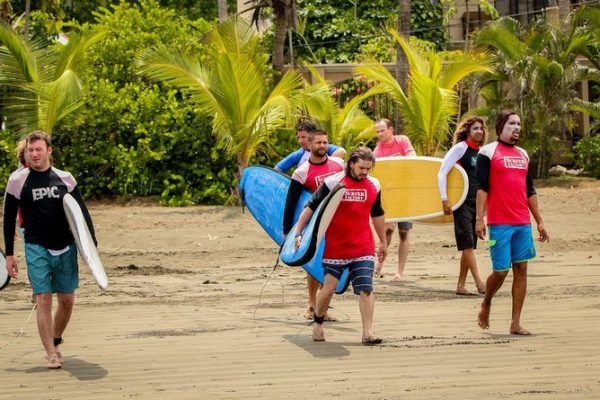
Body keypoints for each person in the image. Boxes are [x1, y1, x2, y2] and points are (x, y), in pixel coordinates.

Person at [3, 130, 98, 369]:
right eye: (30, 150)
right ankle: (50, 353)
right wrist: (10, 254)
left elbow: (82, 214)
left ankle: (55, 339)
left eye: (38, 149)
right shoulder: (17, 180)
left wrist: (92, 249)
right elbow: (7, 217)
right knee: (44, 298)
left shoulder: (65, 178)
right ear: (26, 152)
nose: (34, 154)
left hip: (65, 246)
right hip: (36, 246)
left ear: (49, 151)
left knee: (67, 300)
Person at [293, 147, 387, 344]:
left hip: (363, 246)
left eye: (368, 169)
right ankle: (318, 322)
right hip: (336, 246)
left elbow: (377, 214)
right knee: (328, 289)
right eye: (361, 168)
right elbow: (311, 207)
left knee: (366, 288)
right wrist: (299, 232)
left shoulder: (374, 185)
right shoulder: (333, 182)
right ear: (351, 164)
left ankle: (367, 333)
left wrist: (383, 242)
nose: (365, 172)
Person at [475, 111, 549, 335]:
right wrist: (479, 219)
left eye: (518, 124)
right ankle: (487, 302)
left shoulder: (523, 154)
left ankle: (515, 323)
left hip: (522, 222)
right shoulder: (487, 152)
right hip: (499, 222)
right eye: (511, 124)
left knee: (521, 270)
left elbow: (530, 190)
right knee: (500, 271)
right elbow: (482, 187)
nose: (516, 128)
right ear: (501, 127)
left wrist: (540, 221)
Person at [283, 130, 344, 320]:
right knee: (314, 262)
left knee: (331, 264)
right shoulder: (301, 173)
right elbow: (291, 203)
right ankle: (312, 304)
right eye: (318, 143)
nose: (322, 146)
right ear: (309, 146)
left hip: (338, 222)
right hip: (314, 224)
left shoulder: (339, 165)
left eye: (325, 142)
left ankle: (322, 306)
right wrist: (288, 232)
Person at [437, 117, 487, 295]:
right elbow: (442, 173)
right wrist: (444, 199)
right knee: (467, 242)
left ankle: (460, 285)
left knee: (470, 244)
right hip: (461, 202)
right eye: (475, 128)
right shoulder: (460, 149)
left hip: (477, 202)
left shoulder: (482, 152)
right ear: (467, 131)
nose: (479, 131)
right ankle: (480, 283)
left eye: (481, 128)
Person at [372, 118, 416, 282]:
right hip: (389, 195)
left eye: (382, 130)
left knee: (404, 232)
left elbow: (413, 157)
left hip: (405, 193)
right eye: (377, 132)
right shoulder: (378, 151)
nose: (379, 134)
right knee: (388, 229)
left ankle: (399, 272)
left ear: (390, 130)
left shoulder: (402, 141)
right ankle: (379, 265)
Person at [274, 120, 346, 173]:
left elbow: (342, 151)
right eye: (298, 137)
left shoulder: (323, 147)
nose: (300, 141)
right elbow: (277, 169)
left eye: (303, 137)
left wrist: (325, 167)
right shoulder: (298, 155)